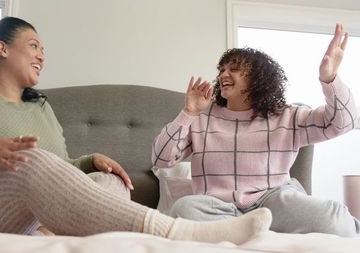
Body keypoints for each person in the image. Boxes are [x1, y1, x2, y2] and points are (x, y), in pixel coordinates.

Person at [0, 16, 272, 244]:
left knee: (110, 183)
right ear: (1, 48)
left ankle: (62, 235)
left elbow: (53, 170)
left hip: (16, 216)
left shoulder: (39, 108)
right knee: (28, 160)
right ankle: (175, 233)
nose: (42, 55)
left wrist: (86, 163)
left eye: (43, 49)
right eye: (33, 45)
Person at [152, 23, 359, 236]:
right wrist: (188, 112)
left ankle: (247, 231)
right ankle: (253, 231)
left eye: (234, 69)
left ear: (258, 78)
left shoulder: (287, 116)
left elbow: (342, 123)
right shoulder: (200, 118)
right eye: (222, 69)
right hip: (216, 207)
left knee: (335, 219)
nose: (224, 74)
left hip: (273, 202)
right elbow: (161, 159)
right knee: (183, 208)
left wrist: (330, 78)